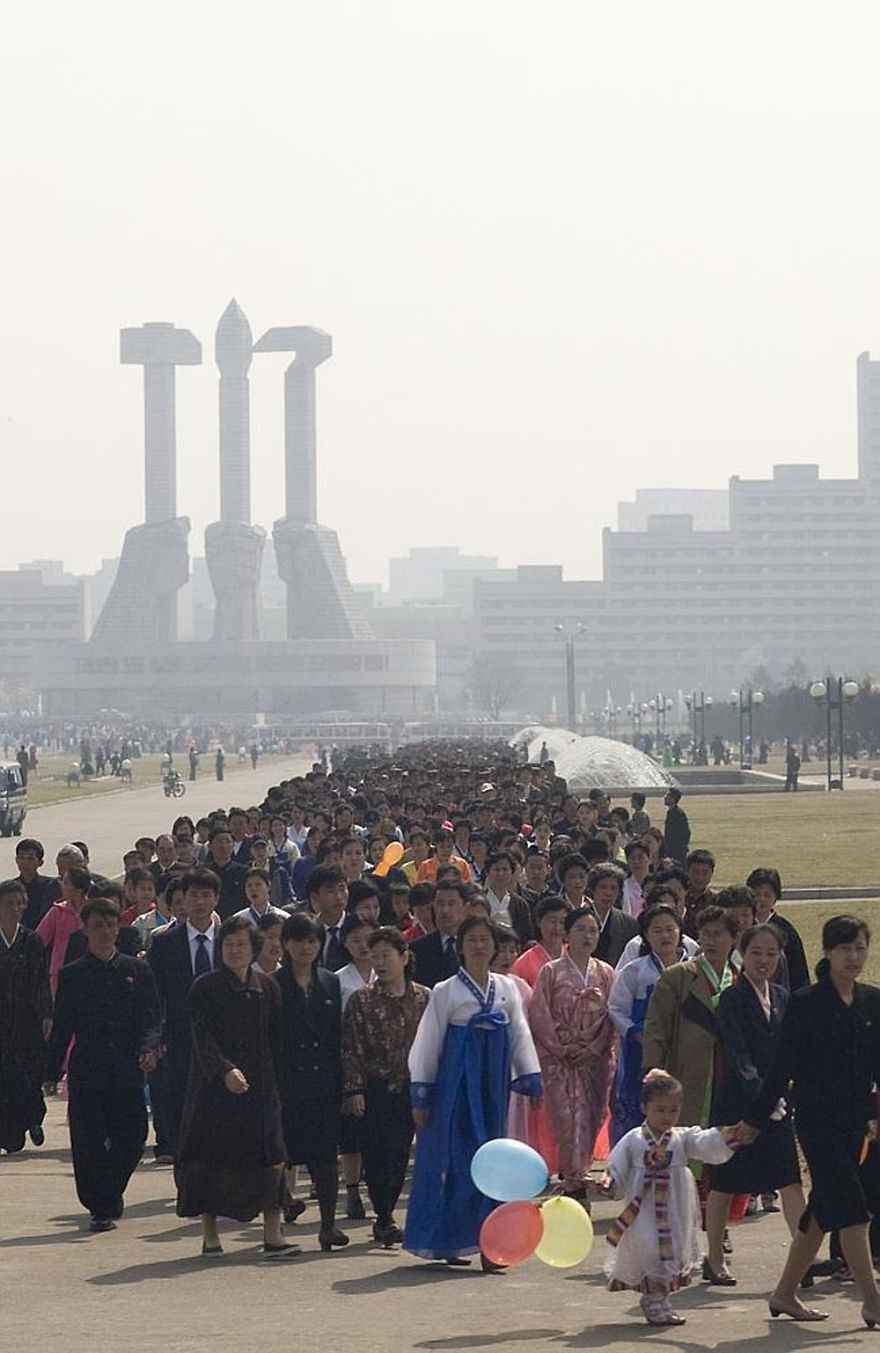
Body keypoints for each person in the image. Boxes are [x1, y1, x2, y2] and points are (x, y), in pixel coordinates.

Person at [737, 915, 880, 1325]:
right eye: (845, 948)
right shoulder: (806, 1003)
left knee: (820, 1212)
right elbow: (782, 1067)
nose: (853, 956)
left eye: (860, 948)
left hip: (858, 1126)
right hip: (818, 1124)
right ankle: (872, 1300)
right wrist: (755, 1119)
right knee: (854, 1211)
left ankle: (784, 1295)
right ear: (828, 952)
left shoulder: (873, 1001)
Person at [404, 914, 542, 1267]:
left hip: (493, 1080)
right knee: (459, 1157)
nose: (479, 946)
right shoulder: (445, 991)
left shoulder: (507, 988)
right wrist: (423, 1091)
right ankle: (451, 1239)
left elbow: (520, 1033)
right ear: (461, 948)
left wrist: (529, 1075)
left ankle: (492, 1244)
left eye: (485, 939)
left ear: (495, 946)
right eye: (472, 940)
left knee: (495, 1158)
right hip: (457, 1083)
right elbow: (428, 1043)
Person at [175, 916, 296, 1258]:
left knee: (272, 1157)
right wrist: (224, 1070)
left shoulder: (268, 987)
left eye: (242, 944)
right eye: (228, 944)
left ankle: (273, 1235)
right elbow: (202, 1036)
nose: (235, 950)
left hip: (262, 1090)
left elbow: (277, 1042)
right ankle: (210, 1235)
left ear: (254, 948)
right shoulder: (205, 987)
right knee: (211, 1162)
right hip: (214, 1092)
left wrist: (279, 1087)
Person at [44, 898, 160, 1231]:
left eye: (111, 925)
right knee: (88, 1141)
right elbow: (63, 1025)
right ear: (85, 929)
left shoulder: (136, 971)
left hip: (127, 1068)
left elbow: (151, 1017)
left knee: (133, 1136)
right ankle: (99, 1206)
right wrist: (51, 1072)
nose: (105, 932)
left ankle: (109, 1191)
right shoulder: (72, 975)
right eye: (98, 926)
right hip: (88, 1070)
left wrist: (149, 1047)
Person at [703, 923, 805, 1285]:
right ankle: (714, 1259)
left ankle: (802, 1259)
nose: (764, 960)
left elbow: (792, 1052)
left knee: (791, 1181)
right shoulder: (731, 998)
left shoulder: (782, 997)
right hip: (738, 1107)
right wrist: (763, 1099)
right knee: (726, 1182)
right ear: (742, 956)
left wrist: (783, 1096)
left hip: (776, 1105)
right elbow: (738, 1056)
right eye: (756, 953)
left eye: (771, 953)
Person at [601, 1071, 737, 1327]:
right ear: (645, 1107)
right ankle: (653, 1299)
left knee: (671, 1251)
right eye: (660, 1110)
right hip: (643, 1210)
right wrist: (609, 1181)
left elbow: (707, 1142)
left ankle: (659, 1300)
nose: (667, 1117)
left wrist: (732, 1135)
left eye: (673, 1110)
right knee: (650, 1247)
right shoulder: (634, 1139)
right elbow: (617, 1164)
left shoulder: (682, 1137)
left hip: (675, 1207)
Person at [342, 927, 430, 1246]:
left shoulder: (424, 997)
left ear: (404, 957)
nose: (380, 963)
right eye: (374, 956)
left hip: (413, 1088)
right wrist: (354, 1090)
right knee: (378, 1155)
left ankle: (386, 1212)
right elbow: (351, 1047)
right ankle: (384, 1216)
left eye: (386, 956)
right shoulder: (361, 1000)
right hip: (376, 1089)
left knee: (399, 1155)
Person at [529, 906, 615, 1201]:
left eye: (592, 930)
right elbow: (539, 1014)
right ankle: (574, 1181)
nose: (587, 936)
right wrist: (560, 1048)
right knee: (566, 1120)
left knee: (591, 1117)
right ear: (567, 935)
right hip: (560, 1060)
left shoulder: (605, 972)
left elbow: (611, 1017)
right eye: (580, 929)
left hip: (594, 1060)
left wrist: (592, 1048)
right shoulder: (551, 972)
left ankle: (579, 1171)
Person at [276, 913, 348, 1250]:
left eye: (313, 940)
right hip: (287, 1082)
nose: (306, 947)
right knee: (280, 1154)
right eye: (299, 940)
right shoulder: (273, 984)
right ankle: (283, 1206)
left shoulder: (329, 981)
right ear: (285, 944)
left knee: (325, 1158)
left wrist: (344, 1083)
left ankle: (328, 1225)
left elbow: (336, 1036)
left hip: (323, 1082)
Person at [642, 905, 739, 1132]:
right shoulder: (677, 977)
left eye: (718, 934)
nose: (711, 941)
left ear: (734, 938)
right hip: (688, 1070)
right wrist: (653, 1068)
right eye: (705, 934)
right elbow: (656, 1026)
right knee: (688, 1137)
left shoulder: (740, 977)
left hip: (730, 1072)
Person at [147, 867, 220, 1162]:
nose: (199, 902)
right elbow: (154, 998)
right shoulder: (165, 944)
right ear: (182, 901)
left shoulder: (233, 940)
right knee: (182, 1113)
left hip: (222, 1042)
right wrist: (155, 1039)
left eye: (206, 895)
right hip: (179, 1042)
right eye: (193, 896)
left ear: (216, 898)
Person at [609, 902, 688, 1144]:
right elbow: (615, 1009)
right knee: (636, 1106)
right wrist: (634, 1032)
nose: (665, 935)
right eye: (657, 930)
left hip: (685, 1050)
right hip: (640, 1052)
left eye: (670, 929)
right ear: (645, 935)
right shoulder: (635, 971)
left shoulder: (694, 967)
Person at [0, 879, 52, 1153]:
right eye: (9, 904)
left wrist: (46, 1015)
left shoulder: (32, 940)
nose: (15, 909)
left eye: (20, 904)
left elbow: (41, 981)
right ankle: (8, 1131)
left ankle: (32, 1119)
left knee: (27, 1074)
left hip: (26, 1020)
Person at [746, 867, 810, 992]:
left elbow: (798, 972)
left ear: (776, 897)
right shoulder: (743, 927)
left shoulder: (786, 930)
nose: (762, 899)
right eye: (757, 894)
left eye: (767, 895)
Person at [410, 879, 466, 988]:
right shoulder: (417, 949)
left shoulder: (475, 945)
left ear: (464, 907)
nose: (445, 910)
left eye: (451, 904)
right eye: (440, 904)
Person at [511, 894, 567, 988]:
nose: (557, 927)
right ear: (538, 921)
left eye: (562, 922)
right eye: (552, 921)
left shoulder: (575, 954)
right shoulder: (523, 963)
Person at [662, 789, 690, 865]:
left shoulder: (678, 814)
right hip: (671, 849)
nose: (664, 798)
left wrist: (678, 847)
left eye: (667, 796)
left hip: (677, 851)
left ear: (673, 799)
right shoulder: (670, 812)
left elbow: (685, 833)